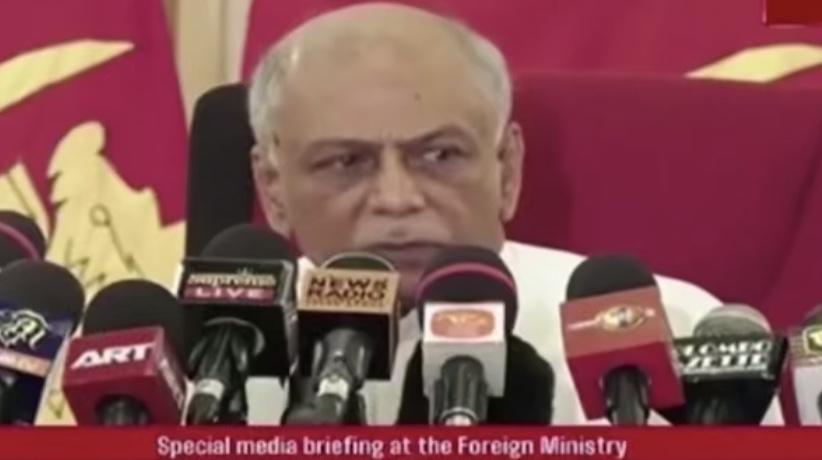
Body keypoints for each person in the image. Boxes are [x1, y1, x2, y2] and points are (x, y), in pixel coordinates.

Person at [244, 2, 782, 424]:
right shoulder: (217, 353)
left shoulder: (673, 329)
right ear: (273, 190)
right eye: (345, 162)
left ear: (507, 169)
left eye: (440, 155)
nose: (397, 197)